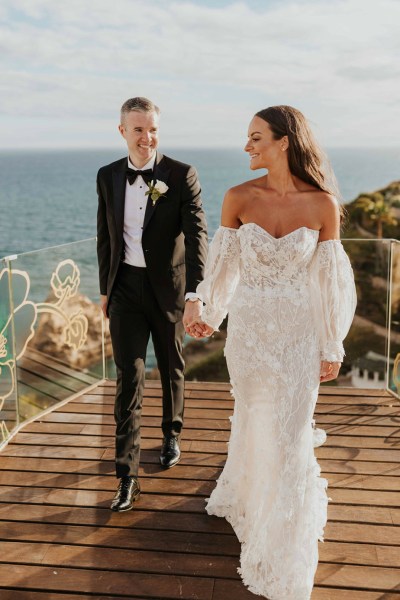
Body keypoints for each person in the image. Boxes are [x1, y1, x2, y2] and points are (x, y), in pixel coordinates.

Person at [187, 105, 357, 599]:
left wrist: (332, 342)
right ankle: (249, 498)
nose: (247, 147)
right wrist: (207, 311)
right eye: (247, 138)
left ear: (284, 142)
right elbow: (222, 269)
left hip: (299, 336)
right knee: (257, 419)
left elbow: (330, 282)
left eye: (256, 138)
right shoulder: (238, 198)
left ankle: (284, 540)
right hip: (251, 334)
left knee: (290, 430)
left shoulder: (324, 205)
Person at [97, 97, 208, 512]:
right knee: (129, 377)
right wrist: (106, 288)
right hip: (123, 288)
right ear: (122, 131)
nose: (148, 137)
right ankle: (127, 476)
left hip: (169, 290)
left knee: (171, 365)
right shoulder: (107, 176)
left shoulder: (181, 175)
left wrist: (195, 294)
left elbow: (198, 237)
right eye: (139, 129)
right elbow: (105, 234)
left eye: (153, 129)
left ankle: (171, 433)